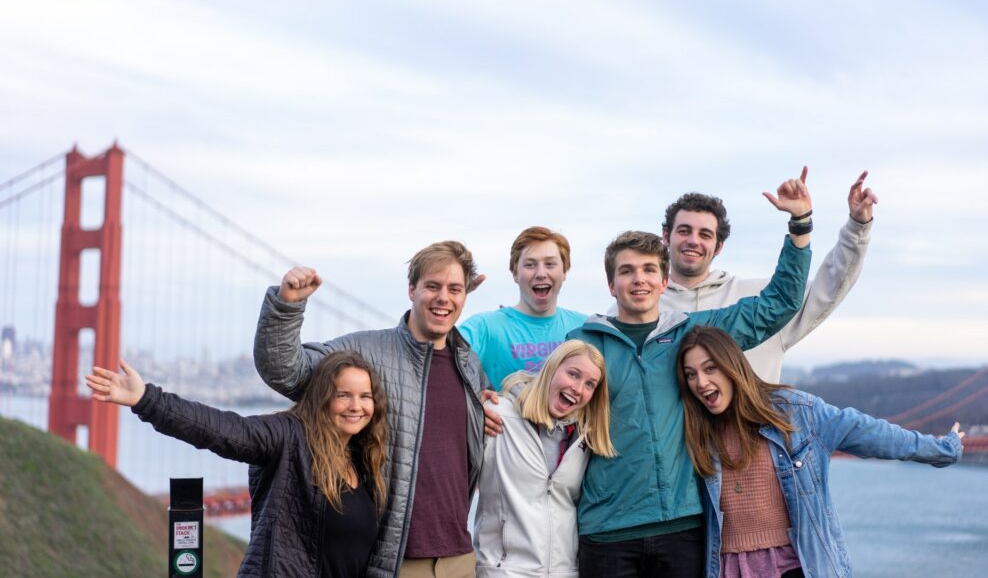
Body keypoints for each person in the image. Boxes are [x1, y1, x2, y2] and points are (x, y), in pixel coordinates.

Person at [568, 170, 814, 578]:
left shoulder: (690, 335)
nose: (639, 279)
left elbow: (778, 304)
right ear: (611, 284)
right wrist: (496, 399)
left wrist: (800, 225)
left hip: (684, 526)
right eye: (627, 271)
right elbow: (541, 396)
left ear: (664, 281)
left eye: (649, 270)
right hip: (607, 530)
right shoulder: (585, 343)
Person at [253, 241, 491, 578]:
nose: (443, 298)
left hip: (460, 558)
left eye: (455, 289)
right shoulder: (366, 352)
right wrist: (287, 306)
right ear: (411, 289)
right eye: (432, 286)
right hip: (396, 563)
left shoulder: (470, 365)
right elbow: (286, 371)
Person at [677, 326, 964, 578]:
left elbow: (873, 434)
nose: (701, 383)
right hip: (728, 569)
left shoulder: (797, 413)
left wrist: (943, 448)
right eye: (691, 375)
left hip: (796, 566)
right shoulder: (695, 431)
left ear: (732, 366)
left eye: (710, 368)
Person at [86, 351, 389, 578]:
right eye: (343, 395)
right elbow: (221, 429)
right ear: (322, 398)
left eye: (365, 396)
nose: (356, 406)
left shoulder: (362, 459)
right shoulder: (288, 436)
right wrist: (146, 400)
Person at [659, 168, 878, 381]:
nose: (694, 241)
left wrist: (857, 227)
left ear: (718, 247)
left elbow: (830, 286)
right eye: (684, 231)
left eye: (705, 234)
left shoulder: (763, 301)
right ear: (666, 237)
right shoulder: (640, 306)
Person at [474, 339, 615, 577]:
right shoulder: (497, 416)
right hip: (504, 570)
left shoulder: (584, 438)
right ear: (552, 367)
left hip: (565, 571)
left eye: (590, 384)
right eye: (573, 374)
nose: (578, 389)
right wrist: (469, 409)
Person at [460, 226, 587, 387]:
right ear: (515, 273)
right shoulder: (484, 327)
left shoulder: (585, 329)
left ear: (564, 272)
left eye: (550, 264)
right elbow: (436, 357)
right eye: (530, 265)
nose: (541, 273)